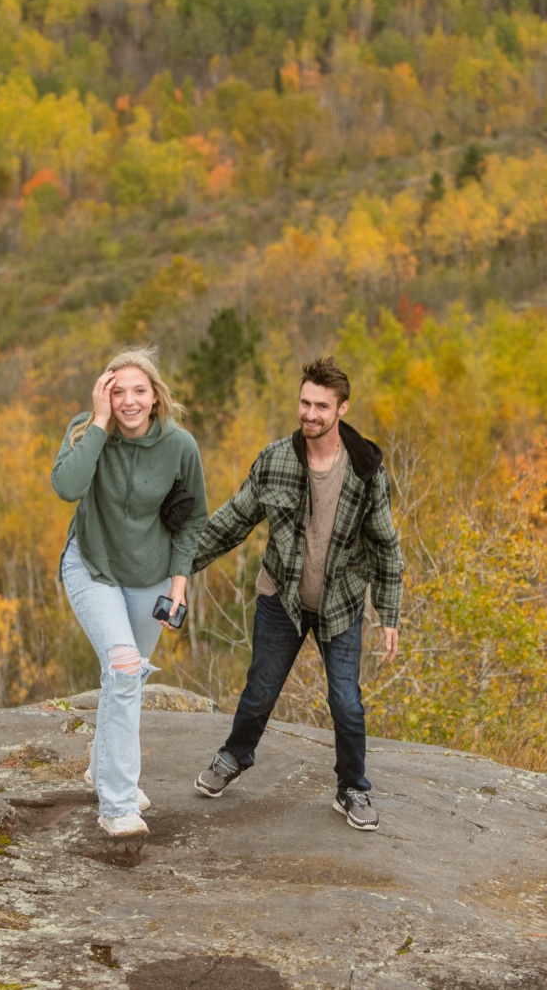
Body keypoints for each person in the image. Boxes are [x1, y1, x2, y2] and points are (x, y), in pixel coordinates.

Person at [189, 356, 402, 830]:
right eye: (304, 402)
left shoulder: (367, 472)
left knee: (346, 702)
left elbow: (387, 545)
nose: (309, 413)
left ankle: (352, 789)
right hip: (280, 598)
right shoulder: (276, 460)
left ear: (342, 408)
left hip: (340, 605)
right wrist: (179, 569)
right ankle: (234, 757)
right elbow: (234, 519)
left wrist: (389, 614)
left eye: (321, 406)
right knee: (260, 691)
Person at [51, 348, 207, 841]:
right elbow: (66, 487)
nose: (129, 401)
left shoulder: (180, 446)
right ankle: (117, 806)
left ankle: (102, 769)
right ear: (104, 394)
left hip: (152, 575)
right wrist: (97, 423)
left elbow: (195, 519)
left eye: (139, 390)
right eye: (117, 391)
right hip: (92, 565)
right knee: (122, 667)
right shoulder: (86, 428)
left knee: (128, 681)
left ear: (156, 395)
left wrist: (179, 583)